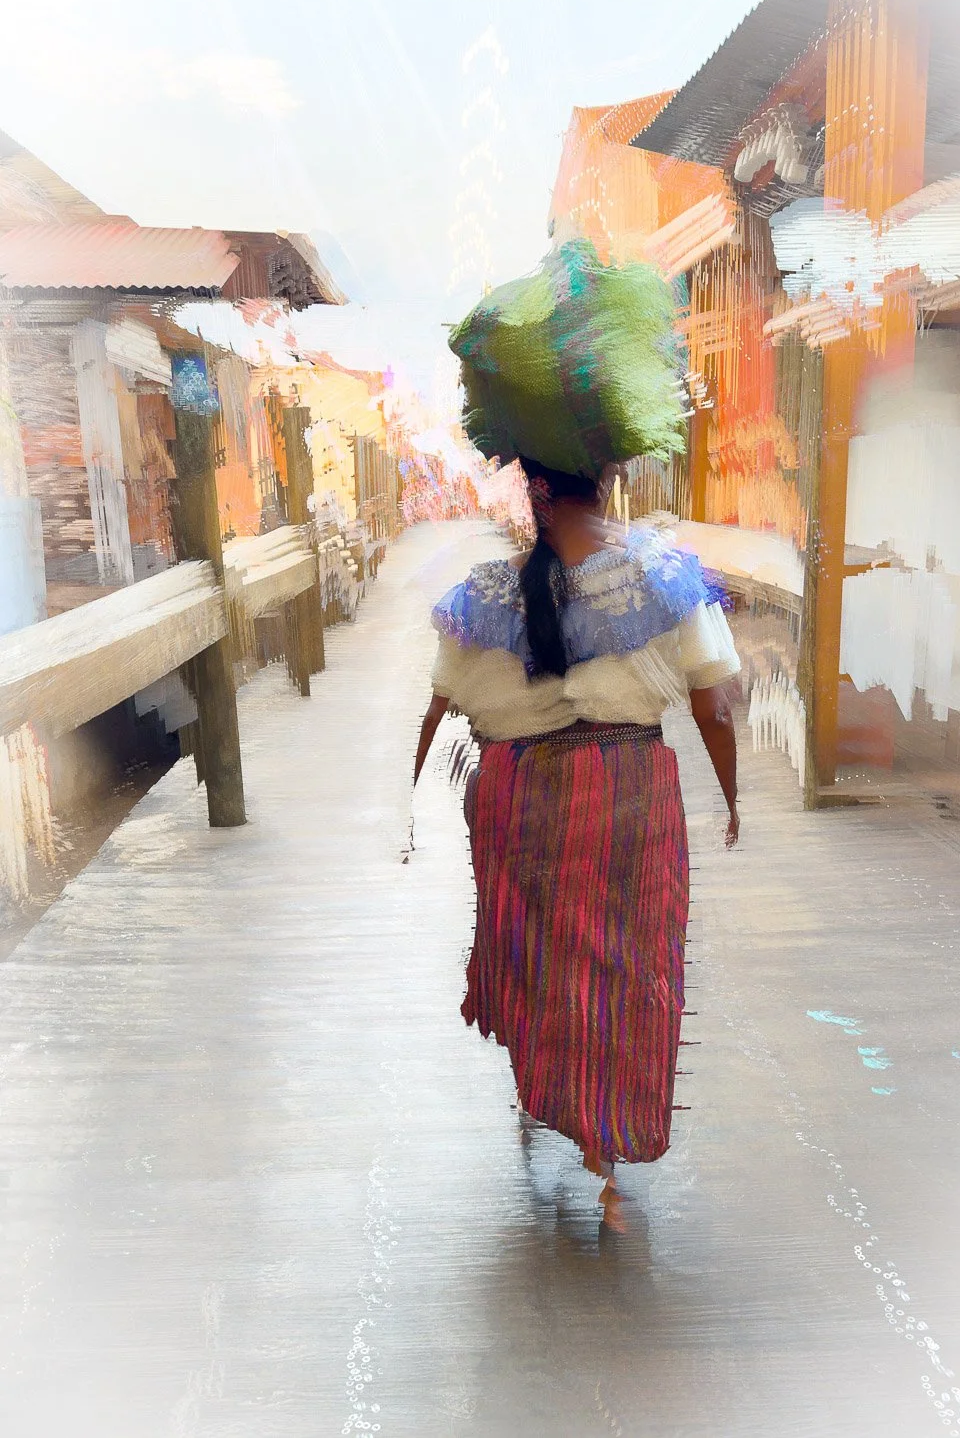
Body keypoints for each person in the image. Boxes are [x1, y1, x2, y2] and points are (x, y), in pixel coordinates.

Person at [412, 241, 740, 1232]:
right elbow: (714, 704)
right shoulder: (667, 577)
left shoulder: (483, 597)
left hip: (520, 797)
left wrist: (420, 788)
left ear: (532, 485)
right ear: (607, 474)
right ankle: (608, 1146)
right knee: (630, 962)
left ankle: (560, 1106)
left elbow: (446, 705)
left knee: (537, 956)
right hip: (634, 796)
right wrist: (729, 796)